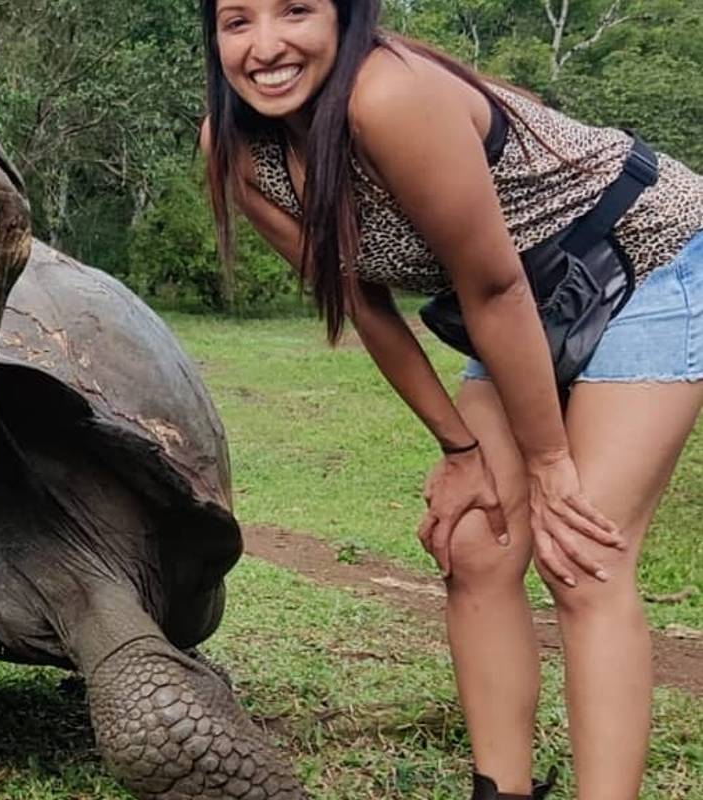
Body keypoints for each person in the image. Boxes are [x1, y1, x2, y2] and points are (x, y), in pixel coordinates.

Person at [198, 1, 702, 798]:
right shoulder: (238, 152)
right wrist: (462, 452)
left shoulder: (388, 97)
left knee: (583, 555)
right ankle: (500, 790)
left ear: (343, 16)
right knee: (476, 542)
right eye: (237, 21)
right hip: (521, 305)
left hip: (645, 255)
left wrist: (548, 462)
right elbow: (361, 303)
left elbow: (493, 284)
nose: (267, 46)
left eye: (296, 10)